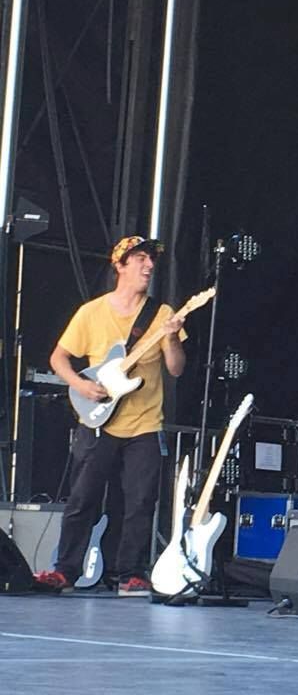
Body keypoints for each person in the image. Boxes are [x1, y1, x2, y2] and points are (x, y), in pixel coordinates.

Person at [33, 236, 186, 596]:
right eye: (140, 258)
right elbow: (58, 357)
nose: (149, 266)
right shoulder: (91, 312)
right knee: (82, 498)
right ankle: (65, 570)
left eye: (151, 260)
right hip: (98, 420)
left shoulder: (161, 313)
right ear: (120, 265)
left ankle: (129, 573)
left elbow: (176, 369)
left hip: (145, 422)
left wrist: (172, 338)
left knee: (140, 501)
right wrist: (80, 385)